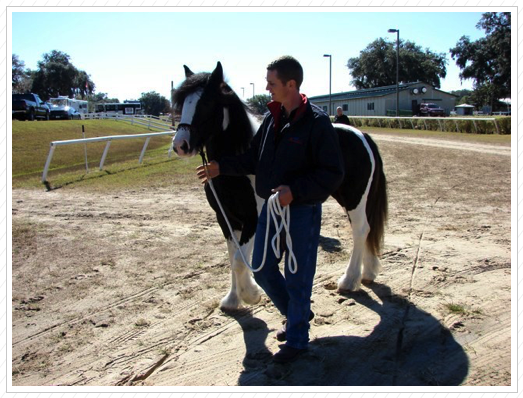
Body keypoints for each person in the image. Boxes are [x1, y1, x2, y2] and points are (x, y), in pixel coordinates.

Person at [197, 56, 344, 363]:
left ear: (291, 84)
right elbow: (252, 160)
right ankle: (295, 316)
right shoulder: (271, 119)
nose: (266, 88)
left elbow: (332, 173)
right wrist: (219, 168)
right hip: (271, 212)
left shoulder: (317, 123)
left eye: (272, 83)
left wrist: (296, 191)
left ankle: (298, 340)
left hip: (301, 211)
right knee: (262, 268)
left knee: (298, 275)